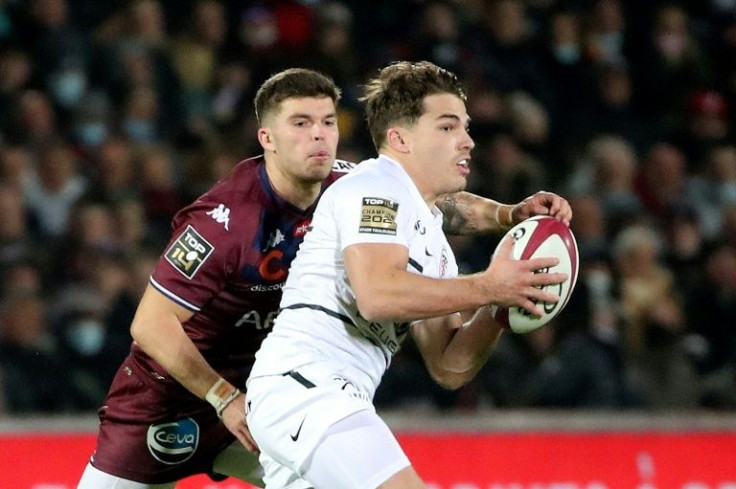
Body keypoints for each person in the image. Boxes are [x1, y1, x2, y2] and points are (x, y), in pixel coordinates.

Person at [76, 67, 569, 488]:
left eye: (328, 122)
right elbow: (151, 324)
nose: (319, 135)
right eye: (301, 123)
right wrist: (223, 396)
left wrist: (509, 247)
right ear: (266, 137)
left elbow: (438, 213)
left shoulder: (355, 184)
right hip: (179, 397)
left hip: (273, 395)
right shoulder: (227, 220)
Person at [245, 61, 572, 489]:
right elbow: (377, 294)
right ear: (399, 138)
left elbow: (449, 366)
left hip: (324, 398)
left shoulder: (434, 247)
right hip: (307, 387)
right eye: (447, 127)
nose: (467, 142)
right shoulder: (376, 186)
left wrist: (499, 307)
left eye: (466, 127)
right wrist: (488, 284)